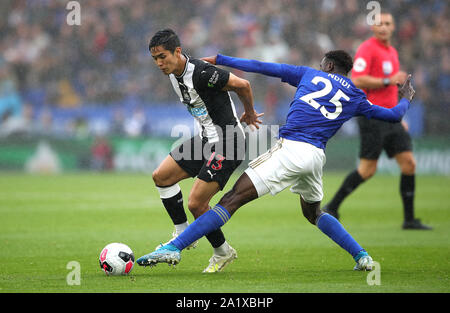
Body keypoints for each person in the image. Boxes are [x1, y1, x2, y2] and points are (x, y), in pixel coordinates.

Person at [136, 49, 416, 271]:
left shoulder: (308, 75)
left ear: (329, 66)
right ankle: (363, 256)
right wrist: (405, 99)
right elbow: (394, 116)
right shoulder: (356, 96)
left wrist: (221, 59)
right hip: (316, 158)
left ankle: (173, 247)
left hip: (291, 150)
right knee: (314, 213)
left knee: (230, 200)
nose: (320, 68)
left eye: (322, 65)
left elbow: (261, 66)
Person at [146, 29, 263, 273]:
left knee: (197, 203)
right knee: (161, 176)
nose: (159, 63)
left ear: (177, 52)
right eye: (155, 58)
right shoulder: (174, 72)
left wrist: (249, 112)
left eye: (163, 57)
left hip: (228, 143)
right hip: (205, 139)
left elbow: (243, 84)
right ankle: (182, 233)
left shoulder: (200, 74)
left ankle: (222, 252)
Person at [322, 11, 431, 230]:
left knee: (409, 163)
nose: (383, 27)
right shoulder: (367, 49)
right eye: (379, 23)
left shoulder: (392, 52)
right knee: (367, 170)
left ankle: (409, 220)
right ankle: (331, 207)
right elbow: (358, 79)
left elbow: (392, 91)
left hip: (391, 118)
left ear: (393, 27)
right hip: (373, 116)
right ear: (373, 27)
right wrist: (388, 79)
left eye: (387, 23)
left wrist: (400, 117)